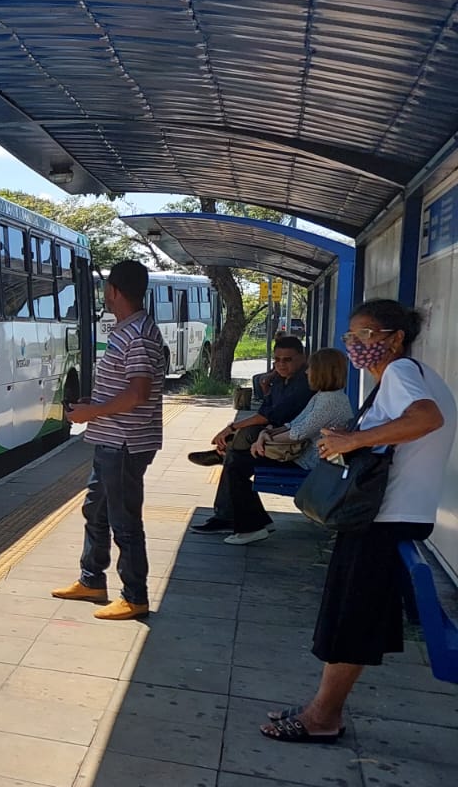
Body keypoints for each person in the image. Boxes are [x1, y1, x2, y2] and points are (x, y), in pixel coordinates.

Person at [262, 300, 456, 743]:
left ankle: (323, 717)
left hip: (386, 518)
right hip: (388, 516)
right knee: (350, 616)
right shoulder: (406, 377)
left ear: (395, 338)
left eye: (365, 335)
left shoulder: (404, 373)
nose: (355, 345)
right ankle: (321, 707)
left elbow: (427, 418)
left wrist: (356, 439)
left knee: (351, 620)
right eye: (351, 337)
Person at [52, 259, 167, 620]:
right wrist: (95, 407)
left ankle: (135, 596)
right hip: (111, 439)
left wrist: (92, 413)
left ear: (114, 291)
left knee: (124, 521)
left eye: (106, 289)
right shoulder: (128, 330)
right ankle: (92, 579)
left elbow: (138, 394)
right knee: (96, 511)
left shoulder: (138, 336)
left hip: (125, 444)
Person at [221, 348, 355, 545]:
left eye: (311, 369)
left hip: (310, 462)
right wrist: (265, 435)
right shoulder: (324, 396)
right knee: (237, 462)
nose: (307, 373)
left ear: (322, 371)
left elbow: (298, 433)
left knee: (237, 466)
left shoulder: (330, 400)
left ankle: (252, 527)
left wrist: (264, 438)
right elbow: (294, 424)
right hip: (303, 456)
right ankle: (258, 522)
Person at [188, 334, 312, 536]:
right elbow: (267, 408)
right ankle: (225, 458)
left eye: (288, 360)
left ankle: (223, 458)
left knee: (237, 454)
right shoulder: (281, 381)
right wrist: (266, 387)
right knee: (237, 455)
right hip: (273, 438)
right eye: (277, 360)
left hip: (291, 448)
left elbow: (267, 416)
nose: (281, 365)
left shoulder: (303, 384)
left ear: (303, 358)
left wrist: (231, 427)